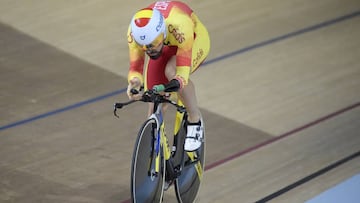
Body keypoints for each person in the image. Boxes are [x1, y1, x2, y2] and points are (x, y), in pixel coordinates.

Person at [126, 1, 210, 151]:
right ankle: (158, 152)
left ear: (161, 33)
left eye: (152, 44)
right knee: (154, 100)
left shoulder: (180, 24)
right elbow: (136, 67)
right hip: (167, 43)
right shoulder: (135, 33)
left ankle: (195, 120)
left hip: (193, 39)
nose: (148, 50)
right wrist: (135, 81)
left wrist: (176, 82)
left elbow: (181, 73)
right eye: (144, 46)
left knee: (171, 71)